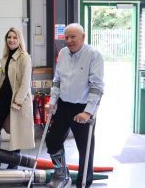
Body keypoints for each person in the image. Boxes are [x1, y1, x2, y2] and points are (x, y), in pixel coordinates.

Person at [45, 23, 104, 188]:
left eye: (73, 37)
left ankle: (83, 184)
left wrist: (87, 112)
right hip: (63, 106)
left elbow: (97, 86)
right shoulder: (63, 53)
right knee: (52, 140)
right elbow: (57, 81)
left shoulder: (93, 55)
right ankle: (62, 174)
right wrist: (52, 102)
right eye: (66, 37)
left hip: (82, 108)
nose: (69, 41)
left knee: (85, 149)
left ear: (83, 37)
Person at [0, 27, 35, 169]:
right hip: (3, 97)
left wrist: (17, 101)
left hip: (17, 99)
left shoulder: (24, 57)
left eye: (14, 37)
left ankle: (14, 163)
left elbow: (25, 83)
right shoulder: (6, 57)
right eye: (9, 37)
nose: (11, 40)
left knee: (16, 131)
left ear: (19, 40)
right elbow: (3, 77)